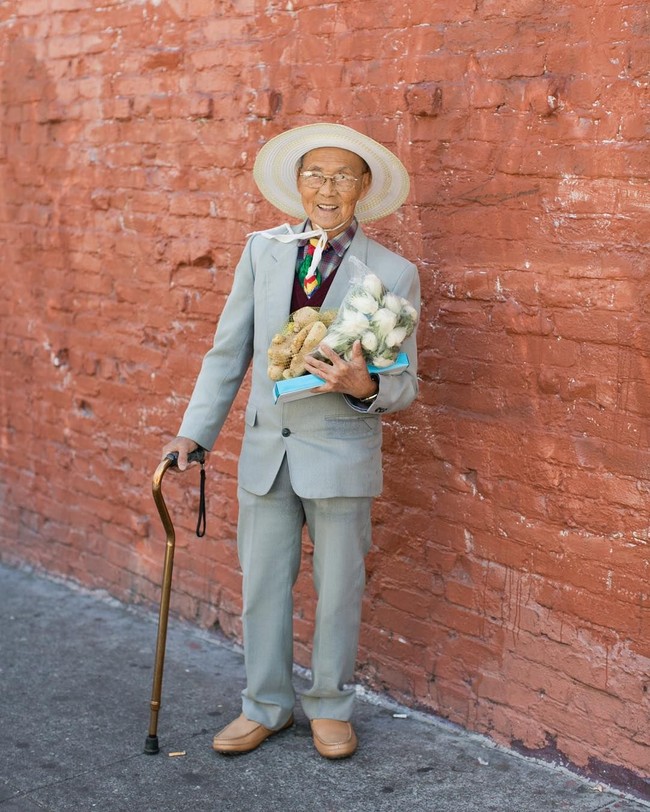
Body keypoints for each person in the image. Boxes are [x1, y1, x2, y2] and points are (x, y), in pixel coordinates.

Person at [162, 122, 420, 759]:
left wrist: (364, 385)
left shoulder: (393, 271)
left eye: (340, 176)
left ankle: (331, 707)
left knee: (338, 591)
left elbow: (405, 383)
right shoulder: (263, 250)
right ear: (297, 183)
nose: (326, 188)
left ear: (364, 186)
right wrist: (195, 432)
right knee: (263, 587)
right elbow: (229, 351)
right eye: (314, 174)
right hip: (264, 451)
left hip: (341, 450)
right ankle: (266, 705)